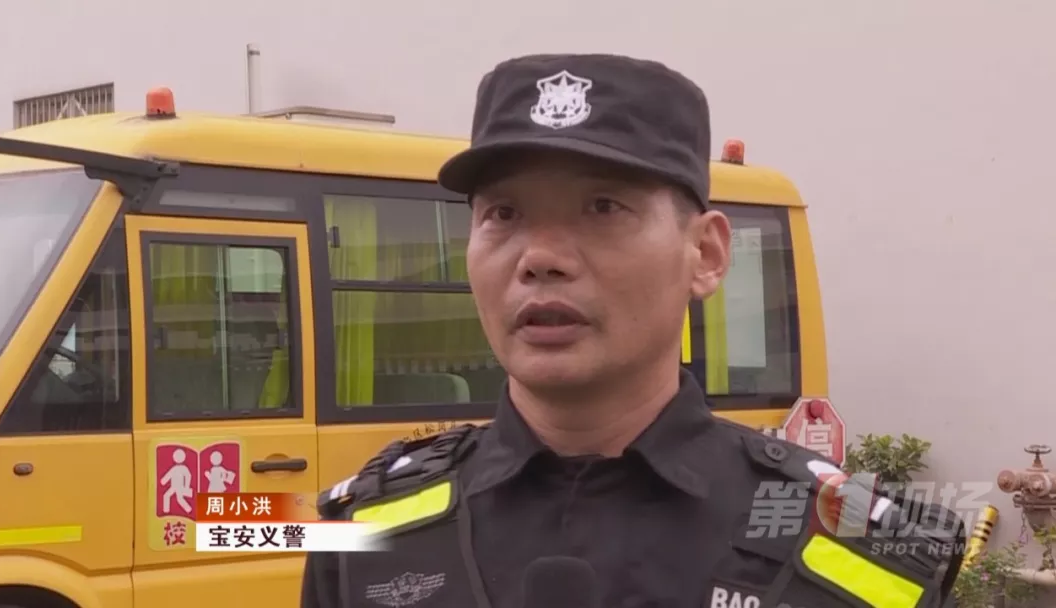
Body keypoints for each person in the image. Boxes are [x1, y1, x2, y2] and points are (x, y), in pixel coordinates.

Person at [301, 53, 965, 608]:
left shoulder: (854, 548)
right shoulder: (362, 534)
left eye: (603, 207)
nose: (540, 258)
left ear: (706, 254)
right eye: (503, 213)